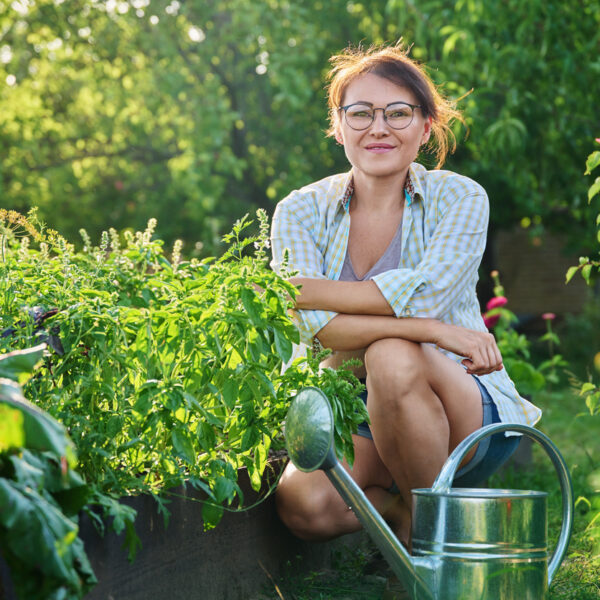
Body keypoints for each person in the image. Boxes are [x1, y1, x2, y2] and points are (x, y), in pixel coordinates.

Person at [270, 43, 541, 547]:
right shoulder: (300, 210)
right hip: (361, 405)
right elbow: (306, 324)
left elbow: (426, 296)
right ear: (337, 124)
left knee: (392, 355)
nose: (379, 128)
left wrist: (318, 297)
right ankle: (403, 514)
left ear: (425, 126)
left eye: (398, 113)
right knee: (306, 508)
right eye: (360, 113)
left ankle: (425, 542)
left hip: (460, 401)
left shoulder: (458, 197)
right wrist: (430, 331)